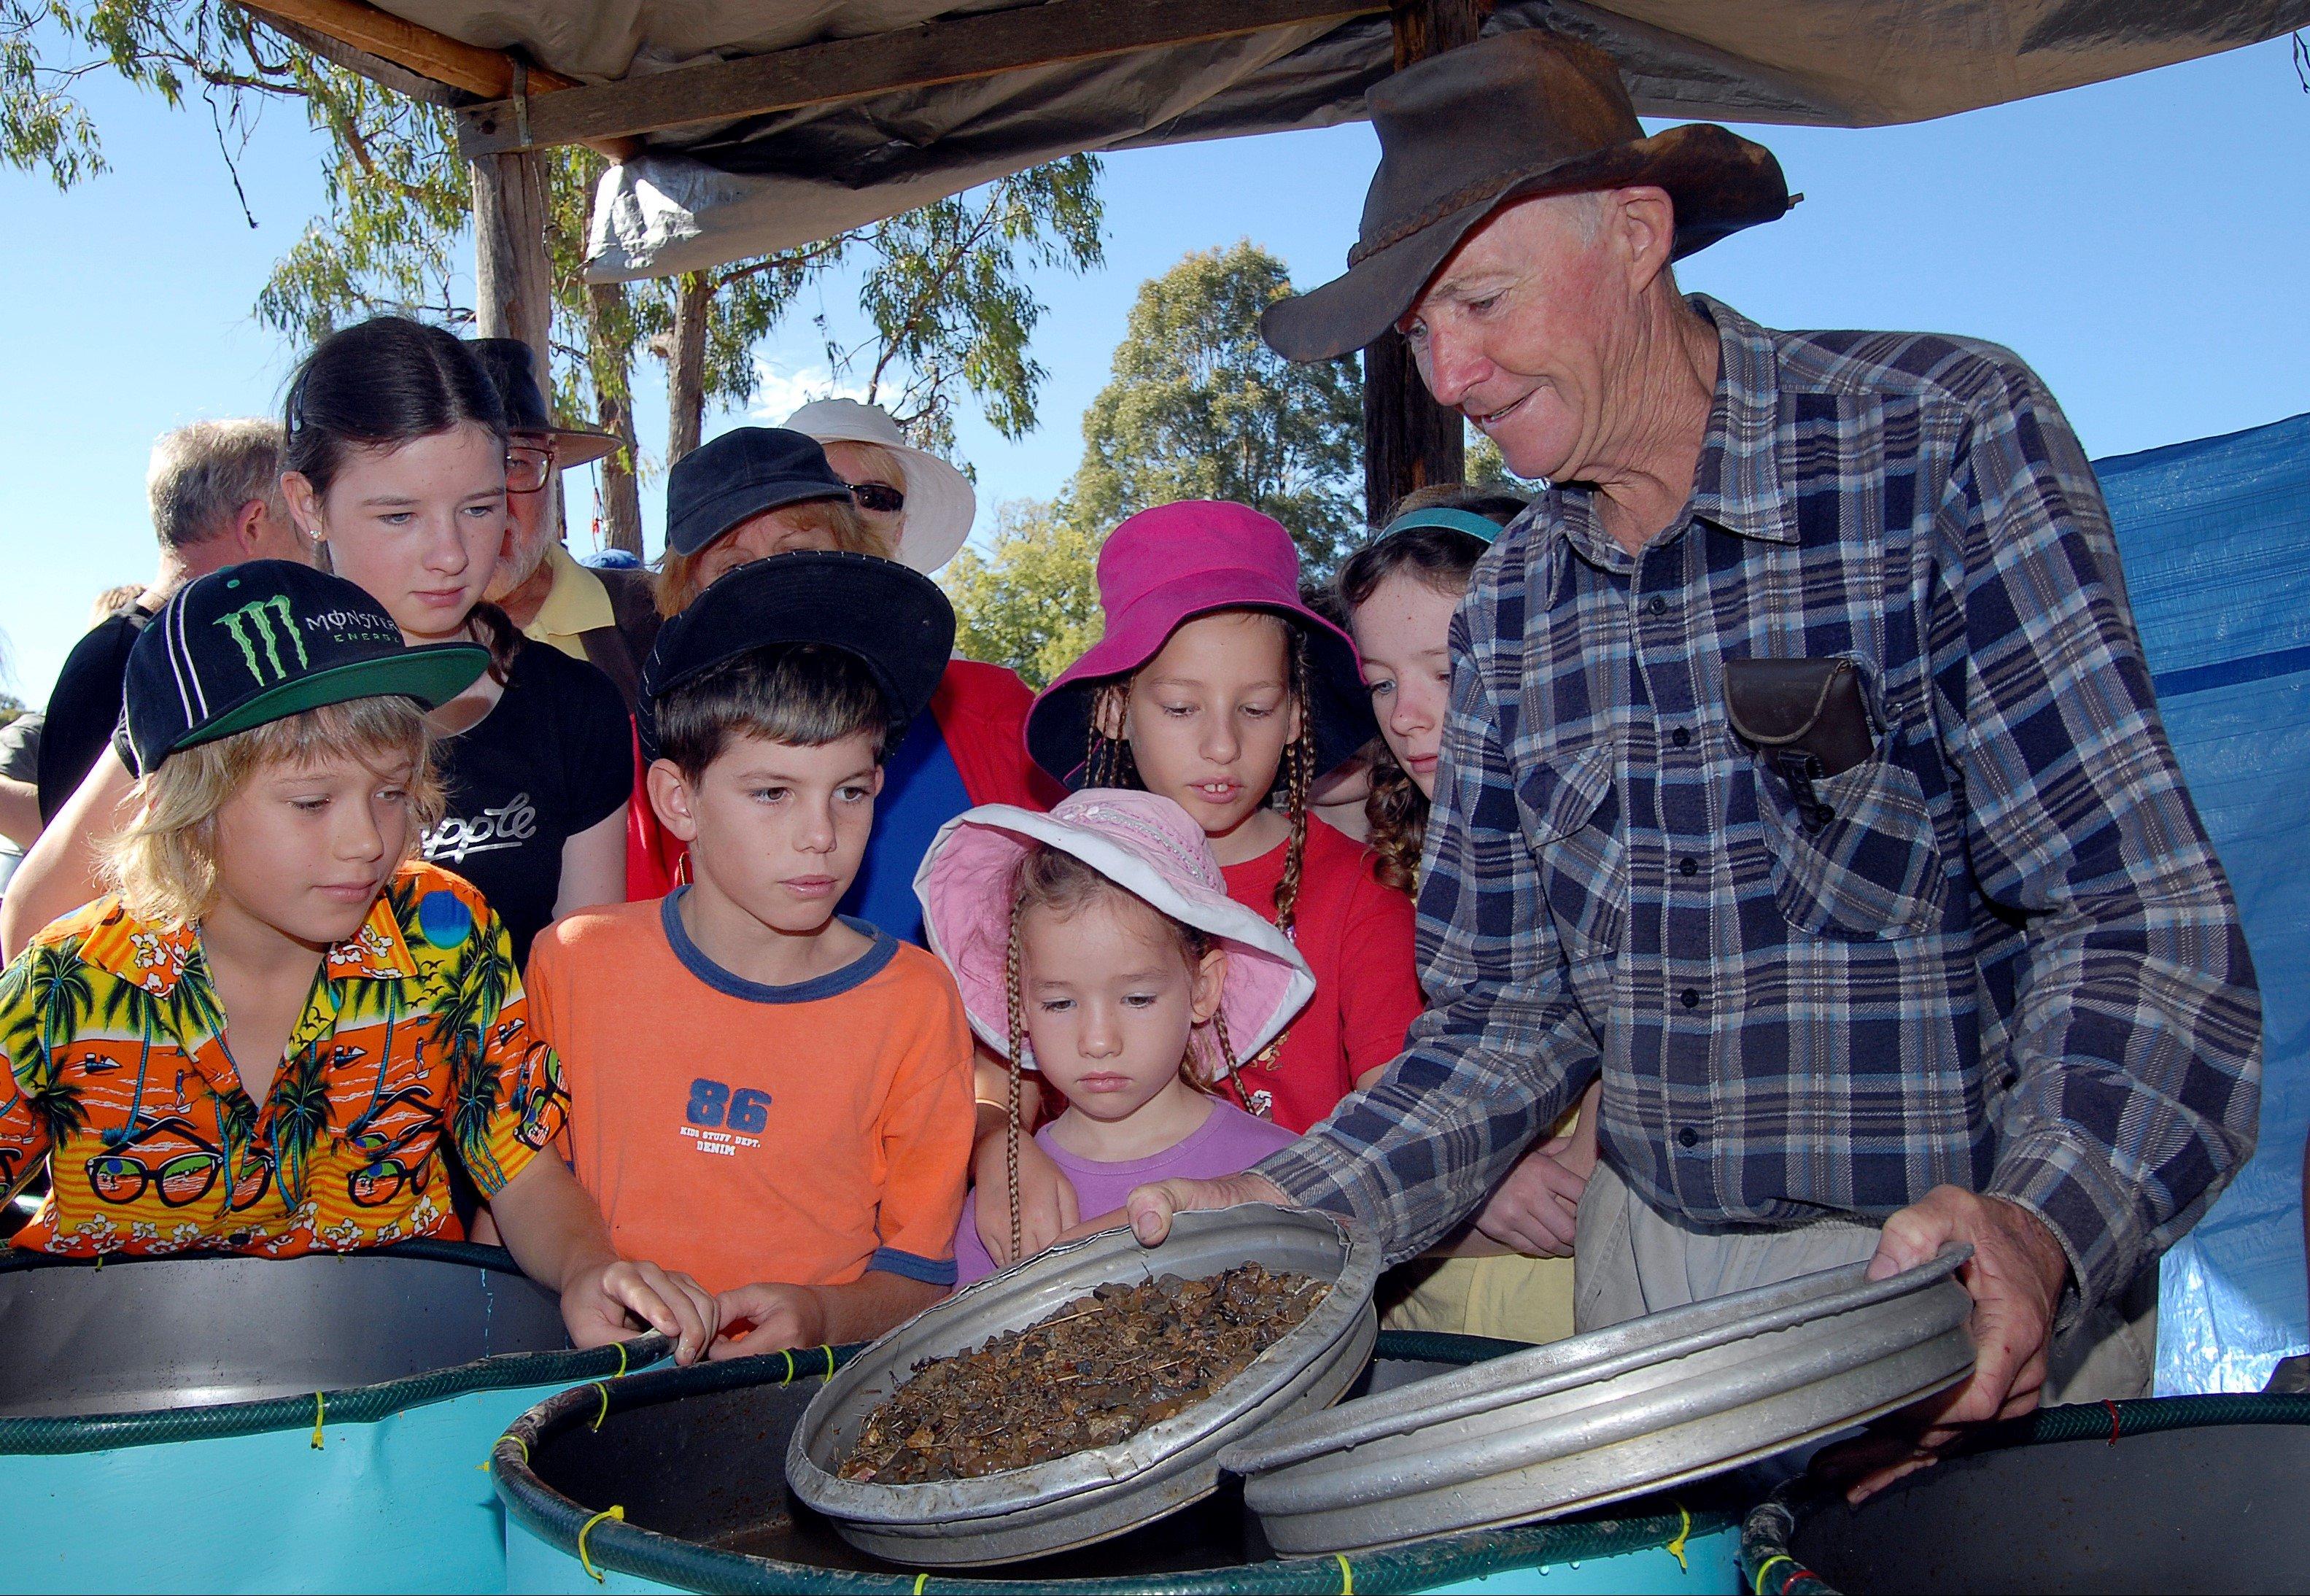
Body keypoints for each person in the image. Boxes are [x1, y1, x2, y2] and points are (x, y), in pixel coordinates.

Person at [1115, 28, 2260, 1495]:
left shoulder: (1936, 447)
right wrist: (1275, 1204)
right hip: (1647, 1296)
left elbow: (2133, 916)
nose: (1449, 371)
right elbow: (1492, 1022)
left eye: (1477, 298)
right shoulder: (1518, 605)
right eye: (1418, 327)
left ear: (1635, 234)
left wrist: (2040, 1224)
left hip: (1946, 1276)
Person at [0, 560, 717, 1361]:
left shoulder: (446, 935)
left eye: (389, 792)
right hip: (123, 1403)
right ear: (188, 807)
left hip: (387, 1379)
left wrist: (587, 1266)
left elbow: (521, 1165)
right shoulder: (67, 981)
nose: (368, 840)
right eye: (311, 802)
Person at [4, 319, 632, 972]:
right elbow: (36, 928)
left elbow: (581, 979)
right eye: (399, 515)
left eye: (478, 507)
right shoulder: (221, 681)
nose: (450, 554)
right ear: (307, 504)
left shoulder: (573, 706)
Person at [630, 424, 1061, 1274]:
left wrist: (991, 1138)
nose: (764, 582)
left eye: (795, 548)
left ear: (854, 555)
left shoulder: (990, 714)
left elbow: (1031, 986)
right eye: (729, 565)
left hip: (943, 1178)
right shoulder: (663, 767)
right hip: (731, 1177)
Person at [530, 552, 976, 1359]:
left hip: (805, 1408)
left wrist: (821, 1316)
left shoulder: (915, 999)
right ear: (678, 799)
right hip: (591, 1392)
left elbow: (917, 1273)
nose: (820, 835)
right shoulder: (573, 964)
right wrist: (583, 1272)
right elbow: (522, 1189)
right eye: (772, 793)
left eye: (850, 791)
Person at [1024, 501, 1422, 1139]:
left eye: (1256, 709)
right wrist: (1002, 1149)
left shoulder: (1360, 897)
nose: (1221, 746)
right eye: (1182, 708)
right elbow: (1006, 1073)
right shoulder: (1055, 884)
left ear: (1296, 717)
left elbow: (1400, 1123)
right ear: (1111, 711)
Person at [1341, 487, 1593, 1347]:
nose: (1406, 717)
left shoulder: (1624, 866)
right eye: (1379, 682)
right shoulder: (1378, 881)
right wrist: (1476, 1184)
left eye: (1448, 673)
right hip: (1413, 1329)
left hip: (1579, 1323)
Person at [918, 789, 1313, 1285]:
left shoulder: (1284, 1171)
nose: (1098, 1041)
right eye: (1060, 1003)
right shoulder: (1005, 1207)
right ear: (1018, 1003)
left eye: (1137, 999)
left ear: (1203, 988)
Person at [37, 421, 312, 825]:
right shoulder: (125, 661)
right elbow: (94, 862)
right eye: (300, 528)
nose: (315, 551)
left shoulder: (141, 649)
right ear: (253, 524)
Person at [465, 339, 661, 710]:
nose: (490, 503)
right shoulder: (379, 641)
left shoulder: (653, 616)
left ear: (553, 467)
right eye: (453, 472)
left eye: (514, 463)